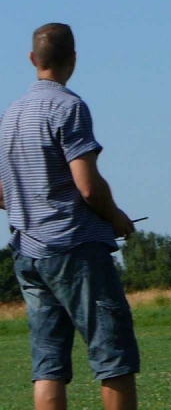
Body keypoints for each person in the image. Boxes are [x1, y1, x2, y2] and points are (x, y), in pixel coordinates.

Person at [0, 23, 140, 410]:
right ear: (73, 59)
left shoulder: (10, 115)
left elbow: (1, 192)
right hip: (75, 250)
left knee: (48, 365)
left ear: (32, 59)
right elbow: (88, 186)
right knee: (113, 358)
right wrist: (115, 217)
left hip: (28, 252)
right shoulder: (69, 106)